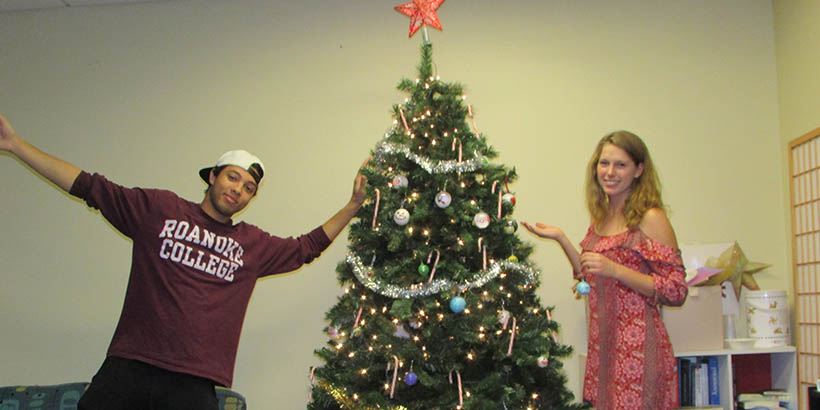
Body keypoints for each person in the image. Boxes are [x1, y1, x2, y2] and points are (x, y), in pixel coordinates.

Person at [0, 114, 368, 410]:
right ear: (212, 177)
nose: (238, 190)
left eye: (248, 188)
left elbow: (306, 247)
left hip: (193, 381)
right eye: (232, 178)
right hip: (131, 365)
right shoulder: (159, 210)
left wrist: (352, 208)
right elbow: (88, 186)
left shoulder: (251, 245)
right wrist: (16, 146)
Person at [522, 130, 687, 410]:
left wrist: (617, 270)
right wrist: (562, 238)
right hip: (603, 350)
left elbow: (676, 289)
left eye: (620, 165)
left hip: (639, 353)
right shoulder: (602, 218)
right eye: (604, 163)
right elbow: (587, 277)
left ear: (639, 170)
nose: (609, 172)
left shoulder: (650, 218)